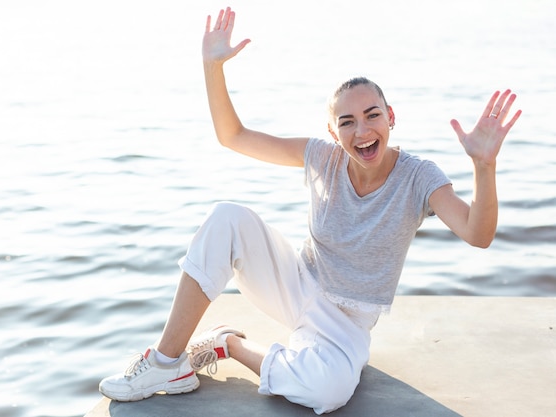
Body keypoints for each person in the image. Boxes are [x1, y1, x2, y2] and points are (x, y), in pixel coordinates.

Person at [99, 7, 522, 415]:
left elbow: (477, 233)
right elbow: (233, 136)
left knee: (326, 391)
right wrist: (214, 67)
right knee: (226, 216)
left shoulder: (419, 177)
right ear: (332, 131)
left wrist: (484, 166)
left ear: (390, 117)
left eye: (373, 115)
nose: (362, 130)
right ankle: (166, 364)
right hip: (297, 283)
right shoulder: (323, 157)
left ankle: (228, 346)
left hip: (349, 322)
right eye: (347, 121)